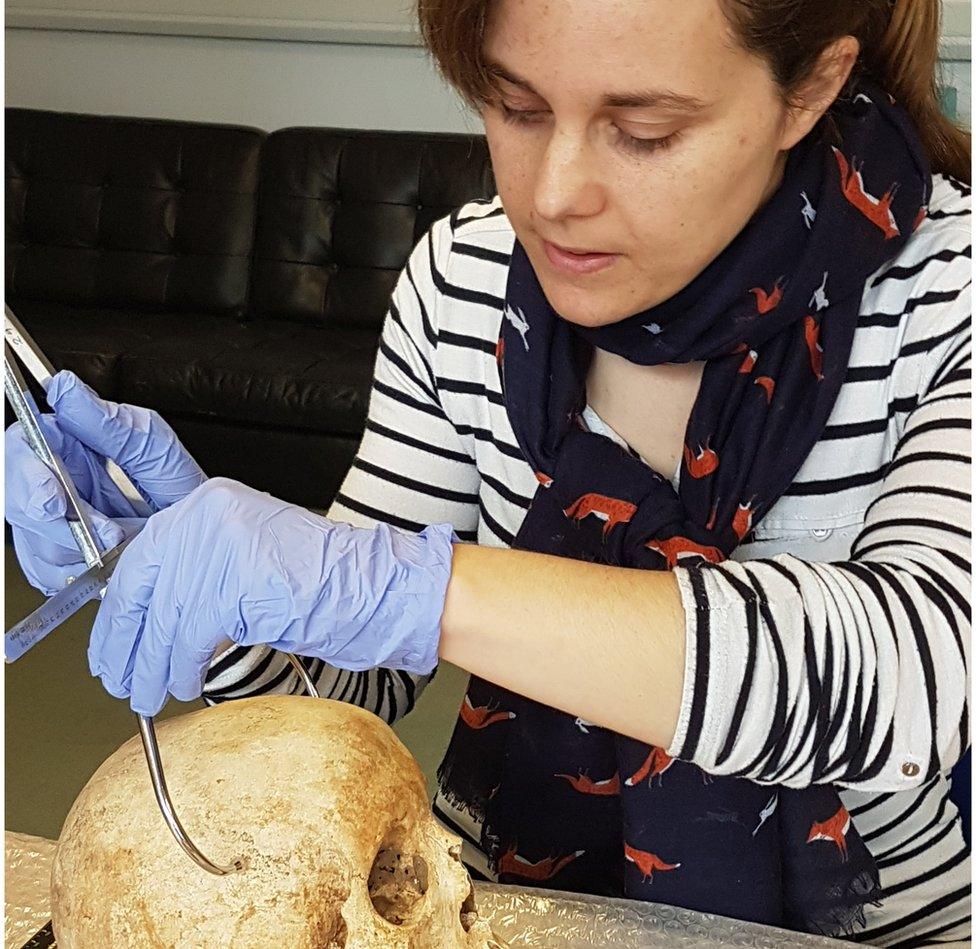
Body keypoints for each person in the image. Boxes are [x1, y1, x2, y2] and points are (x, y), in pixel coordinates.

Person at [6, 0, 970, 944]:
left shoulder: (947, 295)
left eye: (642, 131)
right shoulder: (464, 286)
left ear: (811, 85)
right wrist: (233, 598)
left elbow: (915, 676)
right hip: (506, 909)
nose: (551, 195)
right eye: (517, 108)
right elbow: (345, 695)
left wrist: (412, 586)